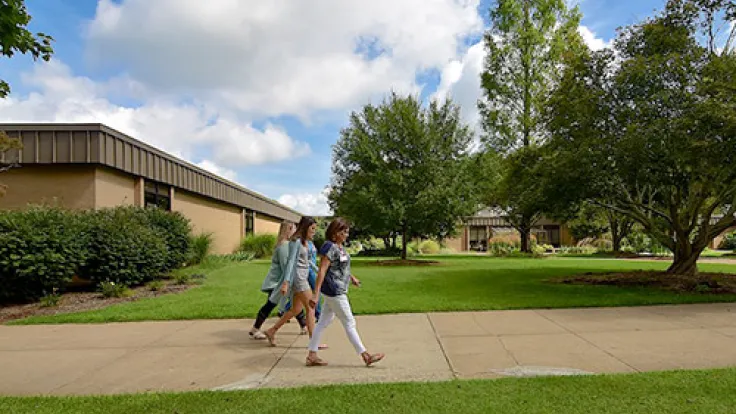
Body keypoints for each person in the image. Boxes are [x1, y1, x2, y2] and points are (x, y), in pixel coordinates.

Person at [305, 217, 384, 367]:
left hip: (335, 290)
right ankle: (365, 355)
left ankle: (312, 355)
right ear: (335, 232)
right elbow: (322, 271)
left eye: (347, 231)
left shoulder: (339, 247)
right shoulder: (329, 247)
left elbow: (341, 268)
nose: (347, 234)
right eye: (344, 231)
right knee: (349, 322)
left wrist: (352, 278)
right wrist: (315, 294)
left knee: (323, 322)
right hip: (335, 291)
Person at [263, 216, 320, 346]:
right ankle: (314, 342)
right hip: (299, 280)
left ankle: (272, 330)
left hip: (301, 278)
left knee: (295, 309)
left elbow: (308, 262)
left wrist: (320, 270)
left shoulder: (305, 242)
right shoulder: (296, 242)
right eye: (312, 228)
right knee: (311, 307)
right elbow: (290, 262)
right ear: (305, 228)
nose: (314, 231)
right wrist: (286, 282)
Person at [248, 220, 300, 340]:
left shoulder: (286, 244)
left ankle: (304, 326)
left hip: (280, 281)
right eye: (293, 229)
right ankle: (255, 329)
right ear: (287, 230)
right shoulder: (283, 246)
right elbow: (285, 266)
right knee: (270, 305)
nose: (296, 231)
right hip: (276, 282)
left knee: (295, 303)